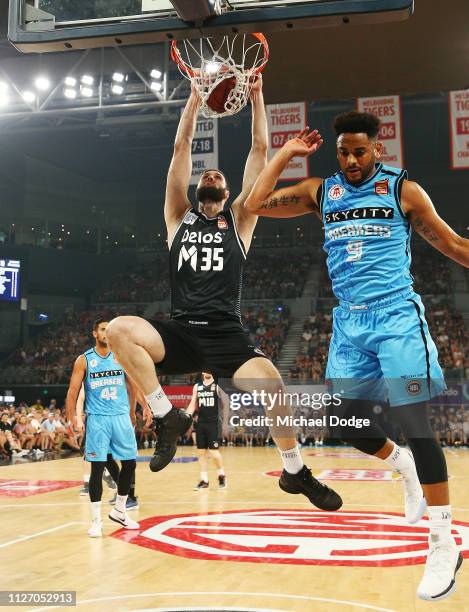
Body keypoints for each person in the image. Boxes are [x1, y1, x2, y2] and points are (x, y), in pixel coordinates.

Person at [244, 111, 468, 601]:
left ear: (377, 150)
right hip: (349, 323)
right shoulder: (321, 191)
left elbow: (452, 244)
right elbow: (253, 202)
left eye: (359, 151)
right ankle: (402, 465)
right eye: (342, 151)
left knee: (413, 419)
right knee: (346, 425)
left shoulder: (401, 190)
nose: (349, 160)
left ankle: (441, 541)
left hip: (396, 319)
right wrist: (286, 153)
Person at [105, 77, 342, 512]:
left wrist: (257, 95)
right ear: (197, 189)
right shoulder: (177, 217)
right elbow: (181, 151)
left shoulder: (240, 220)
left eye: (219, 175)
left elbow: (258, 151)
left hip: (225, 335)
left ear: (230, 192)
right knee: (119, 329)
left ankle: (295, 471)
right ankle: (166, 416)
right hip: (178, 332)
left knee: (273, 384)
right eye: (206, 173)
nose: (211, 172)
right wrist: (193, 101)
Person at [66, 318, 150, 537]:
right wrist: (71, 418)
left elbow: (134, 386)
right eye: (103, 329)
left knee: (130, 464)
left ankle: (120, 510)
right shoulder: (84, 360)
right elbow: (73, 391)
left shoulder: (121, 356)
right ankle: (96, 521)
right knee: (97, 467)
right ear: (95, 333)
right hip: (98, 419)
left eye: (109, 330)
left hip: (121, 417)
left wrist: (142, 409)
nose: (106, 333)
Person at [186, 372, 228, 490]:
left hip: (213, 423)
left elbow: (226, 402)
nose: (207, 371)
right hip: (201, 423)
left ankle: (221, 475)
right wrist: (186, 417)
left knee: (214, 453)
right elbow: (193, 404)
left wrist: (225, 422)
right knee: (201, 452)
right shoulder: (197, 386)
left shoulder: (217, 385)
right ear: (202, 371)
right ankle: (204, 480)